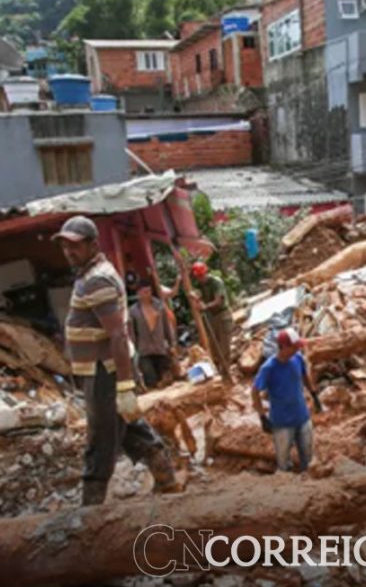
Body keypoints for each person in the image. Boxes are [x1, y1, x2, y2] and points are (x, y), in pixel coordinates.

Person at [52, 216, 180, 505]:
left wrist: (124, 387)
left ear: (92, 244)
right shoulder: (90, 274)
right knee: (131, 431)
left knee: (100, 442)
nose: (68, 252)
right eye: (64, 246)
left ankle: (90, 512)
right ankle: (168, 482)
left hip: (105, 373)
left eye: (75, 246)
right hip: (102, 371)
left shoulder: (97, 279)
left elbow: (118, 336)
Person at [251, 327, 319, 473]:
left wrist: (313, 394)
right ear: (284, 347)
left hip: (302, 416)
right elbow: (255, 391)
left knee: (308, 456)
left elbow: (304, 375)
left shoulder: (297, 358)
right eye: (294, 347)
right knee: (283, 462)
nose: (297, 349)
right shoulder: (269, 368)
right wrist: (262, 416)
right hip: (282, 422)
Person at [129, 282, 177, 389]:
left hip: (160, 348)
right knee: (151, 380)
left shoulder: (159, 306)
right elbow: (132, 332)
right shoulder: (133, 311)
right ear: (139, 294)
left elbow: (167, 326)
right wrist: (134, 350)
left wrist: (172, 344)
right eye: (145, 292)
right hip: (144, 350)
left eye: (149, 291)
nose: (148, 294)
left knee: (166, 380)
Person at [189, 262, 233, 380]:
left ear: (206, 273)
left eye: (201, 276)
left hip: (222, 315)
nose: (200, 279)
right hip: (211, 317)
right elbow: (198, 298)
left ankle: (227, 374)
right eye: (198, 277)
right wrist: (196, 299)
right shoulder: (199, 286)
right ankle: (219, 372)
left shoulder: (216, 282)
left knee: (224, 346)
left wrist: (206, 306)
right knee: (214, 347)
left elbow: (218, 301)